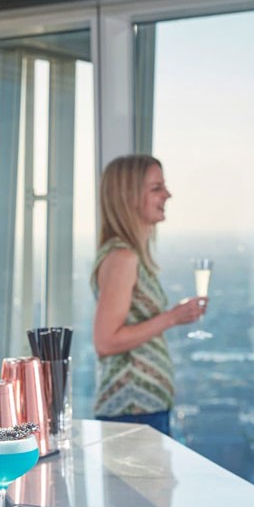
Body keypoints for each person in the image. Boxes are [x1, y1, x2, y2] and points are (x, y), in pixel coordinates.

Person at [91, 154, 206, 435]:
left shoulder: (129, 255)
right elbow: (106, 341)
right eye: (156, 188)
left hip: (141, 409)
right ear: (129, 197)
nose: (168, 194)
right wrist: (171, 318)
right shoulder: (123, 257)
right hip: (133, 409)